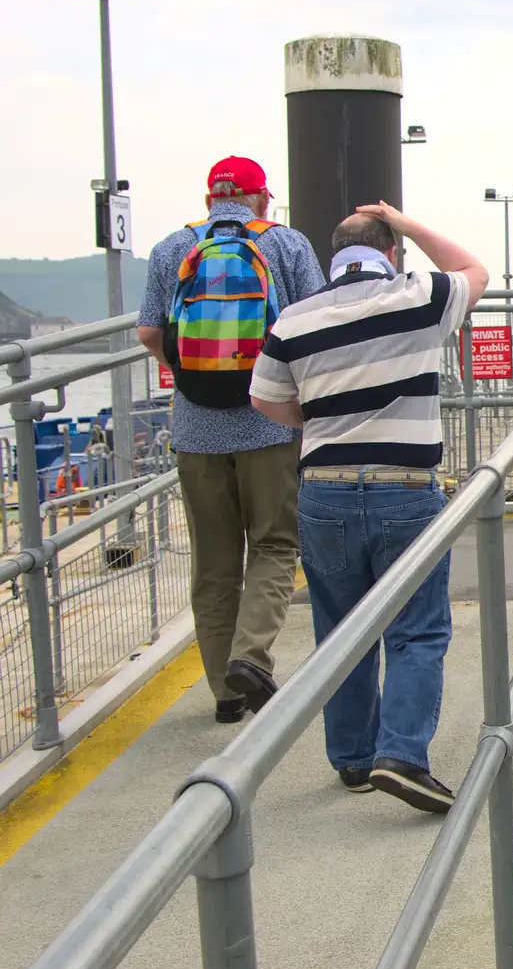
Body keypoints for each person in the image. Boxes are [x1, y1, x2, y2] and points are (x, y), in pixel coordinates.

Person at [249, 202, 488, 813]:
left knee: (341, 631)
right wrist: (407, 224)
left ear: (333, 255)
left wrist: (326, 423)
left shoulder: (295, 319)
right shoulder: (419, 295)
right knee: (417, 629)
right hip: (404, 487)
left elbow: (266, 400)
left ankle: (354, 759)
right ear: (391, 254)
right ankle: (403, 755)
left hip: (323, 490)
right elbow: (475, 271)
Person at [136, 157, 324, 724]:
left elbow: (149, 329)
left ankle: (224, 693)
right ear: (262, 198)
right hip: (270, 422)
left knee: (215, 562)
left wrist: (193, 374)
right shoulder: (286, 245)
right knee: (274, 544)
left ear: (209, 197)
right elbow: (313, 324)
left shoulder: (173, 249)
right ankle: (251, 656)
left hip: (195, 429)